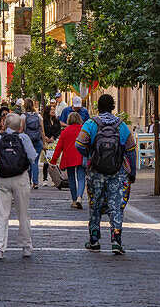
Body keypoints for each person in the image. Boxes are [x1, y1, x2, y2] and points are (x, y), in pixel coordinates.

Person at [76, 93, 136, 255]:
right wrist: (132, 173)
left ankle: (94, 240)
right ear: (113, 107)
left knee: (95, 204)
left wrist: (91, 153)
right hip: (118, 171)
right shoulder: (121, 125)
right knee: (116, 206)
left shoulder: (90, 124)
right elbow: (131, 150)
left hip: (96, 171)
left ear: (98, 108)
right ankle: (116, 240)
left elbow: (79, 144)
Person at [0, 112, 36, 259]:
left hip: (1, 178)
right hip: (20, 178)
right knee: (23, 213)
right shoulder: (24, 138)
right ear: (20, 126)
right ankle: (26, 246)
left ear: (5, 124)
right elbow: (32, 157)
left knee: (1, 214)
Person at [49, 111, 85, 207]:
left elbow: (58, 148)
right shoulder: (83, 130)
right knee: (81, 178)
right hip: (81, 156)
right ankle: (79, 196)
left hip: (69, 158)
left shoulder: (65, 131)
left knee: (71, 179)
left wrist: (53, 161)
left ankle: (74, 200)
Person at [23, 98, 45, 189]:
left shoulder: (23, 116)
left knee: (28, 161)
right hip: (37, 140)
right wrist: (43, 142)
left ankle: (28, 181)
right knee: (35, 161)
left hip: (28, 141)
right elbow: (42, 130)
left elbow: (22, 129)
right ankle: (35, 182)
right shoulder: (38, 116)